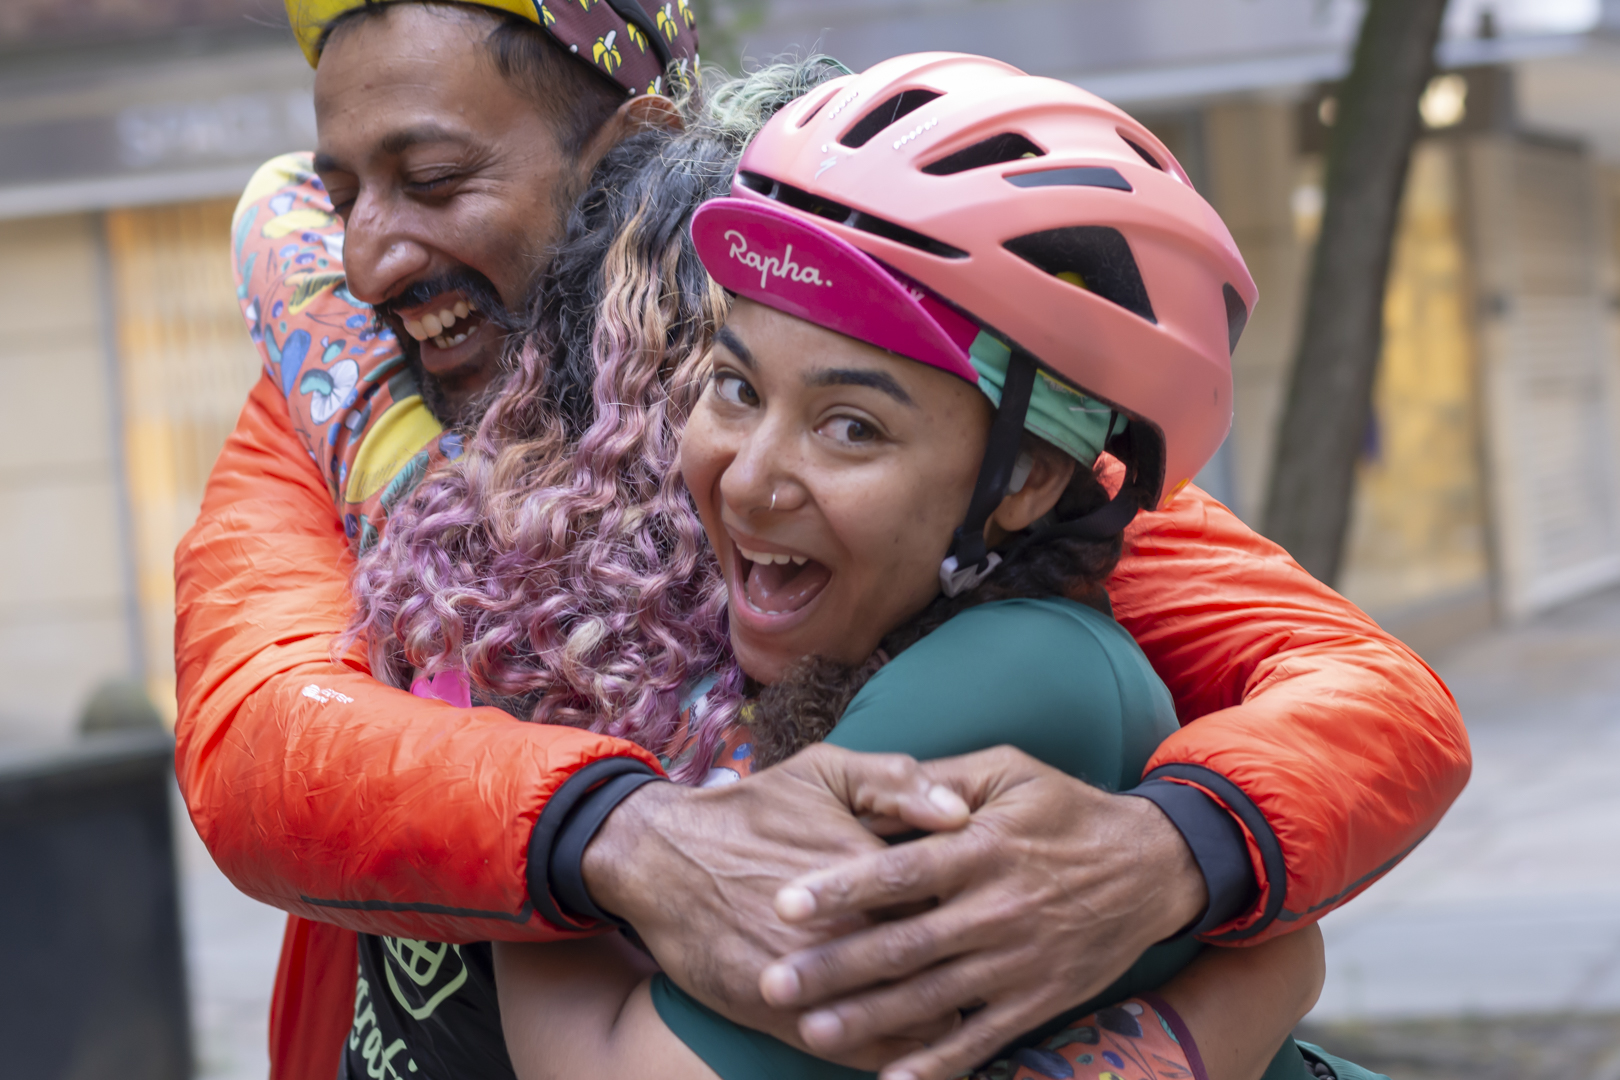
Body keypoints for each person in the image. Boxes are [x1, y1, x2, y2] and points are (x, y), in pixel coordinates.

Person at [176, 7, 1469, 1080]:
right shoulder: (326, 417)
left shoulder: (907, 416)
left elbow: (1372, 699)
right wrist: (612, 835)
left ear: (631, 152)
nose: (369, 257)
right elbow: (256, 748)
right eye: (338, 193)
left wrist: (1182, 859)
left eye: (438, 179)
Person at [490, 55, 1377, 1080]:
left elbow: (609, 1066)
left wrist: (513, 703)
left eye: (851, 427)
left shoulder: (1012, 675)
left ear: (1030, 479)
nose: (750, 480)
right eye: (734, 386)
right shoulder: (899, 632)